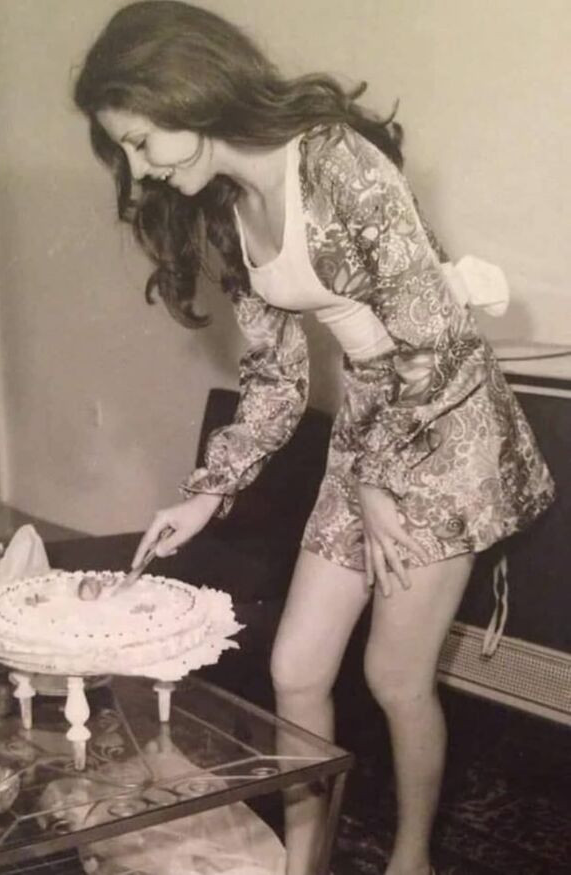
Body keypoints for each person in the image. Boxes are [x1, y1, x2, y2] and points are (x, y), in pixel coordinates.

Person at [73, 3, 555, 874]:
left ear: (192, 91)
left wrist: (374, 483)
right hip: (375, 424)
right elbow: (277, 376)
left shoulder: (337, 161)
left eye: (143, 140)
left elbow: (436, 340)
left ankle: (412, 858)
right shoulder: (228, 206)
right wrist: (207, 490)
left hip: (444, 421)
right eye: (127, 152)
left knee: (393, 677)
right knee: (297, 667)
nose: (140, 169)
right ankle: (310, 862)